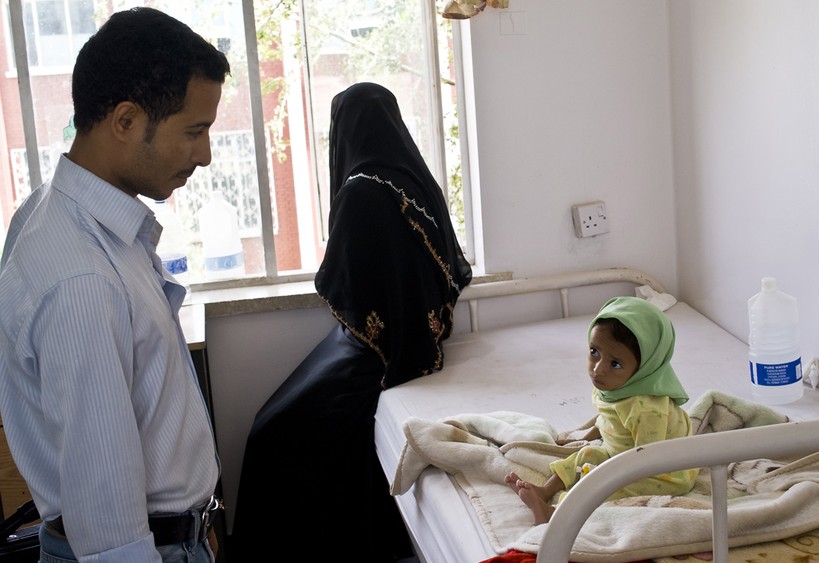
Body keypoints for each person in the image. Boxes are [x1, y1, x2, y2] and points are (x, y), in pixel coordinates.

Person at [0, 7, 230, 562]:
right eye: (193, 132)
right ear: (125, 121)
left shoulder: (55, 214)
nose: (204, 154)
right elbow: (108, 525)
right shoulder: (81, 278)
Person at [232, 82, 472, 561]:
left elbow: (341, 284)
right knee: (279, 422)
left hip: (373, 354)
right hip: (420, 347)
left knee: (272, 430)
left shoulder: (362, 190)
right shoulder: (417, 180)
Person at [505, 296, 698, 524]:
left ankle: (557, 513)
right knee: (587, 453)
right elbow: (608, 419)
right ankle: (546, 491)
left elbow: (646, 457)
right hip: (621, 452)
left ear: (644, 368)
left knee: (607, 486)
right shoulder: (613, 387)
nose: (598, 370)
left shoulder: (646, 410)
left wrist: (605, 475)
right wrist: (583, 439)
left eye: (615, 363)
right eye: (594, 352)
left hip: (664, 471)